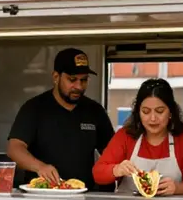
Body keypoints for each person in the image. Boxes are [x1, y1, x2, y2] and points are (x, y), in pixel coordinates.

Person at [7, 48, 115, 189]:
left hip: (84, 196)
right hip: (41, 195)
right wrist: (41, 167)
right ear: (56, 77)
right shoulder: (34, 108)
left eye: (83, 80)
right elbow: (14, 148)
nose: (78, 86)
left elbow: (112, 153)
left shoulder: (95, 111)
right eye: (72, 80)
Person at [93, 78, 183, 195]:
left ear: (171, 112)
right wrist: (116, 169)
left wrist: (178, 188)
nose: (152, 118)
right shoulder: (125, 136)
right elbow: (98, 174)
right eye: (146, 112)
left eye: (159, 111)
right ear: (138, 113)